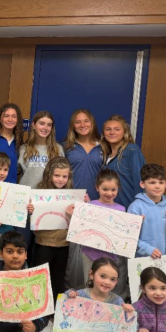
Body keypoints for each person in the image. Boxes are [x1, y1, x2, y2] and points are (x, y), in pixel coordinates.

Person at [30, 157, 88, 301]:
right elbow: (33, 216)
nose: (61, 179)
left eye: (64, 176)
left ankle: (56, 307)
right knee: (39, 277)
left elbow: (80, 221)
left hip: (63, 244)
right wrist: (30, 210)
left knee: (58, 278)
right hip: (43, 243)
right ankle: (38, 305)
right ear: (49, 174)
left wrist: (83, 206)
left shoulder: (72, 195)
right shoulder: (39, 192)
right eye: (57, 175)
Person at [64, 109, 103, 289]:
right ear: (73, 126)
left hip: (97, 206)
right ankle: (71, 291)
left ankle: (91, 292)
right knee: (73, 255)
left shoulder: (103, 147)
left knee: (93, 252)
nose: (82, 125)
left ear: (92, 123)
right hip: (73, 206)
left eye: (86, 121)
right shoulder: (67, 147)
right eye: (78, 122)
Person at [17, 110, 64, 256]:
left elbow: (64, 177)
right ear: (33, 125)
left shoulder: (58, 149)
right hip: (26, 205)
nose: (45, 128)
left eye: (49, 125)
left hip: (47, 205)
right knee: (22, 246)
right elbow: (15, 175)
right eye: (42, 123)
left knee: (41, 251)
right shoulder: (23, 149)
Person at [79, 170, 129, 299]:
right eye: (105, 189)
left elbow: (123, 234)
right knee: (90, 285)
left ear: (118, 189)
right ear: (97, 188)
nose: (109, 193)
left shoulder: (122, 209)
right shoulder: (90, 205)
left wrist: (136, 224)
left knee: (108, 287)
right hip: (90, 254)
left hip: (110, 256)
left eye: (113, 190)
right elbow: (82, 228)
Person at [128, 164, 166, 259]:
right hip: (142, 259)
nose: (157, 186)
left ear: (165, 184)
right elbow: (129, 235)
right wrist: (147, 249)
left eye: (161, 182)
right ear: (142, 184)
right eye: (152, 182)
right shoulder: (135, 207)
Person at [101, 115, 145, 208]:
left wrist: (139, 208)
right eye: (108, 129)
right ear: (103, 133)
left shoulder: (132, 151)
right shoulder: (105, 155)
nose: (112, 132)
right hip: (109, 209)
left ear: (124, 132)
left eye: (117, 129)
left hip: (128, 208)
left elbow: (140, 182)